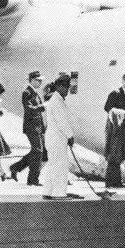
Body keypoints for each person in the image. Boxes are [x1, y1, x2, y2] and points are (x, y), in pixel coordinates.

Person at [44, 72, 82, 200]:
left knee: (52, 165)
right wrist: (70, 136)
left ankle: (48, 191)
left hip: (54, 138)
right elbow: (62, 122)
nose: (67, 90)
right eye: (65, 87)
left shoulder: (56, 99)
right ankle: (59, 193)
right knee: (60, 166)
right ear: (59, 86)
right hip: (57, 138)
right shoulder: (56, 101)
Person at [8, 70, 46, 185]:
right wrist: (42, 106)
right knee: (38, 151)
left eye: (40, 81)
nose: (40, 83)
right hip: (31, 127)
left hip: (38, 127)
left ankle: (15, 167)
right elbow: (29, 109)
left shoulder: (34, 92)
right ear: (32, 80)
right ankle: (32, 180)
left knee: (40, 151)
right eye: (38, 80)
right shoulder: (27, 92)